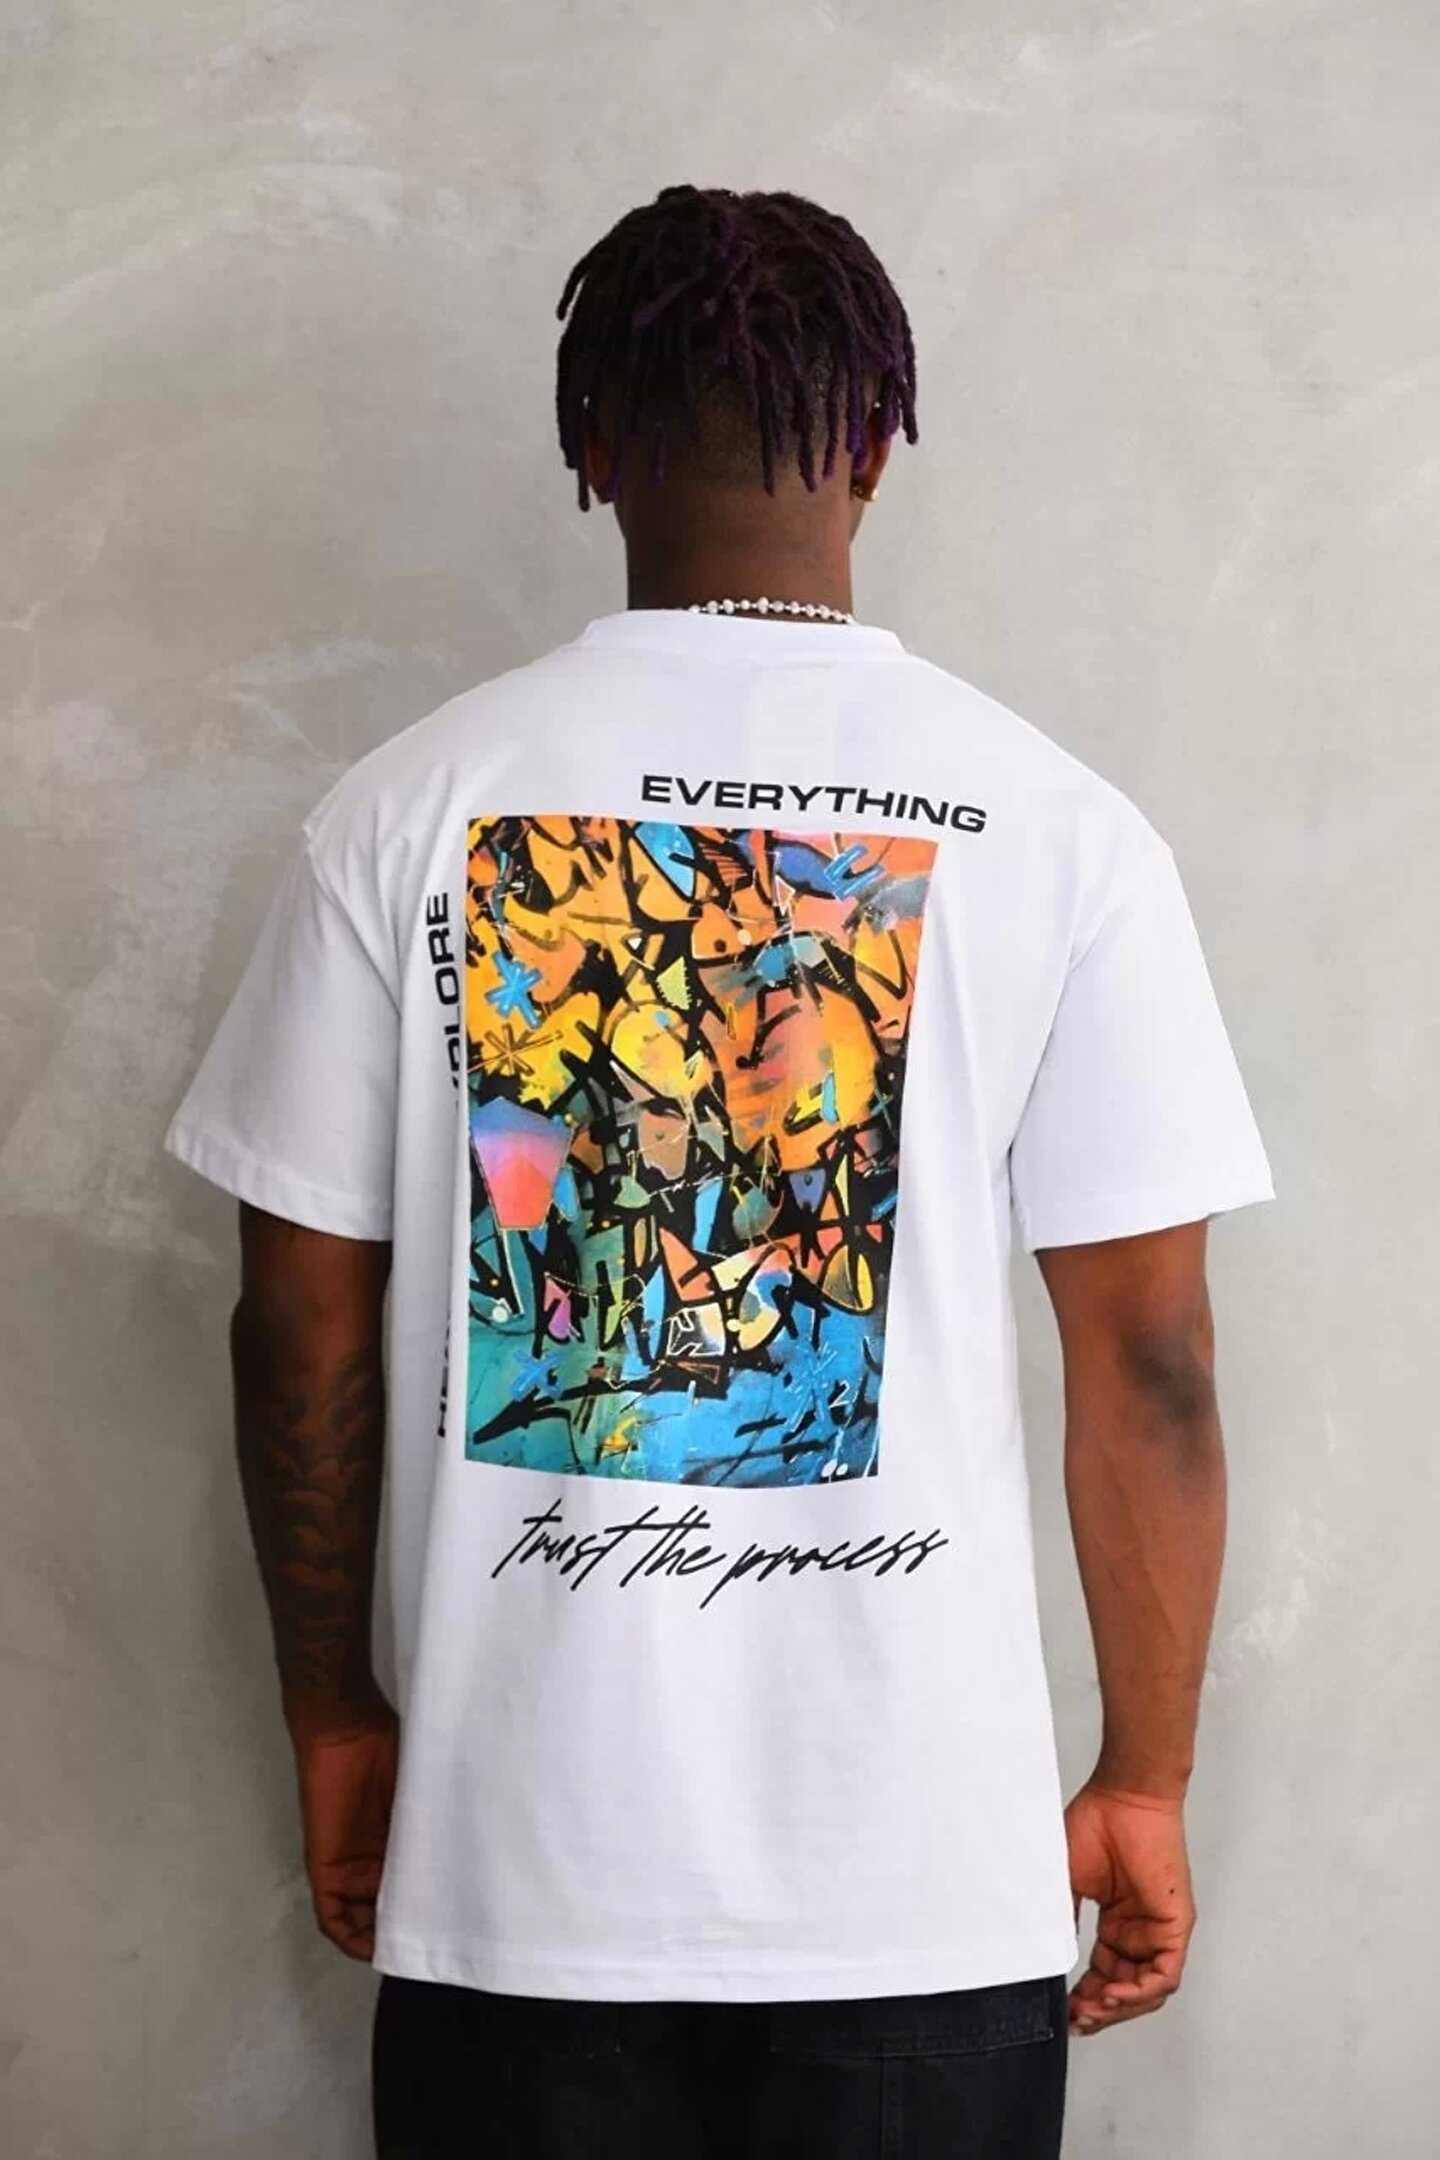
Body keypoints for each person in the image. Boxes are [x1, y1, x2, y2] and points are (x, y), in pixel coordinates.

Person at [165, 183, 1273, 2158]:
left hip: (519, 1878)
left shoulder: (407, 811)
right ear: (877, 447)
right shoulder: (1063, 830)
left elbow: (297, 1326)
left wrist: (335, 1715)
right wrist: (1145, 1778)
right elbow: (1154, 1362)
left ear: (591, 448)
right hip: (921, 1884)